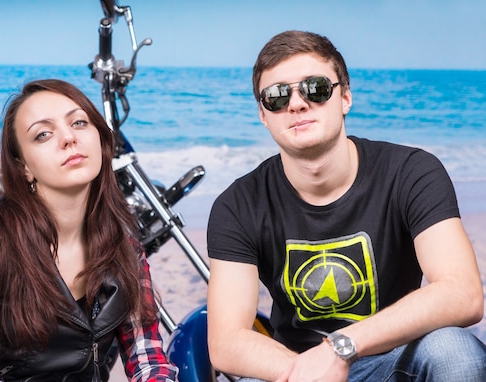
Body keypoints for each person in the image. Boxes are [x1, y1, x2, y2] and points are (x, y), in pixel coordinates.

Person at [206, 30, 486, 381]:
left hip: (393, 359)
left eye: (316, 88)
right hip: (295, 367)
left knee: (454, 351)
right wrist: (311, 370)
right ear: (264, 115)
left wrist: (341, 347)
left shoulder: (411, 173)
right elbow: (226, 341)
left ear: (345, 98)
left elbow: (463, 293)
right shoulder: (239, 205)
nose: (296, 104)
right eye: (277, 96)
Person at [0, 79, 178, 381]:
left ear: (101, 141)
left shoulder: (125, 246)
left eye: (79, 122)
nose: (68, 138)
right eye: (43, 134)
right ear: (23, 166)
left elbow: (149, 361)